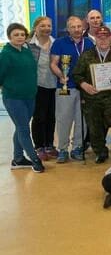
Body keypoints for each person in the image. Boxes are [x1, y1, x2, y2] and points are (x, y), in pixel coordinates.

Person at [73, 26, 111, 163]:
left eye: (106, 38)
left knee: (107, 123)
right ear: (96, 39)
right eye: (100, 38)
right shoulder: (87, 55)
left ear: (110, 38)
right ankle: (100, 151)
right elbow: (77, 74)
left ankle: (101, 144)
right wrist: (84, 85)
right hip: (91, 97)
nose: (103, 40)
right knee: (94, 125)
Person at [50, 16, 95, 163]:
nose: (76, 29)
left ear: (83, 27)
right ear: (68, 29)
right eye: (73, 27)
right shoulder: (59, 43)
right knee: (64, 119)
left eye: (79, 26)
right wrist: (61, 76)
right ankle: (62, 149)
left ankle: (77, 148)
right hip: (66, 87)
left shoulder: (89, 43)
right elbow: (53, 63)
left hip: (84, 88)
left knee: (82, 120)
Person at [0, 23, 45, 172]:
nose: (20, 37)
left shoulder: (26, 51)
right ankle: (35, 159)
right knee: (24, 129)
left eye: (22, 35)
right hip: (14, 98)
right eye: (16, 35)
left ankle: (18, 159)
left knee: (20, 127)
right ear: (9, 37)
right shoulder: (6, 54)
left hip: (29, 96)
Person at [28, 16, 56, 161]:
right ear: (35, 28)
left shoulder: (55, 43)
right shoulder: (28, 45)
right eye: (42, 26)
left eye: (49, 26)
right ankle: (39, 146)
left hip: (54, 84)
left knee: (51, 116)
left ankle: (49, 144)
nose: (46, 28)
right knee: (39, 116)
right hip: (37, 85)